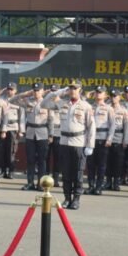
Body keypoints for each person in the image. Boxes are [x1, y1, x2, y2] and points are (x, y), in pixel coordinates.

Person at [41, 79, 95, 210]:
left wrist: (90, 145)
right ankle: (67, 198)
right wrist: (58, 92)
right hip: (64, 142)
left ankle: (76, 198)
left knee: (78, 172)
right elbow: (44, 103)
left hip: (79, 142)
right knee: (65, 172)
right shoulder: (62, 103)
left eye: (75, 88)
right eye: (70, 88)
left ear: (80, 90)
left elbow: (91, 126)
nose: (72, 91)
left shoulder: (86, 106)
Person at [9, 82, 50, 190]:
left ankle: (41, 184)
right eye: (34, 90)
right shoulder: (28, 101)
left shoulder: (47, 102)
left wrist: (51, 134)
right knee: (30, 159)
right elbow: (12, 100)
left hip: (43, 133)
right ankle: (30, 182)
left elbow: (51, 119)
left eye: (38, 90)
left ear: (42, 91)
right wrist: (24, 94)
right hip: (30, 133)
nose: (36, 92)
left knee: (42, 160)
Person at [86, 86, 115, 195]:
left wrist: (109, 138)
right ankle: (91, 186)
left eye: (100, 92)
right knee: (90, 164)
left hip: (102, 138)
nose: (98, 94)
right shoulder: (89, 106)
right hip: (91, 138)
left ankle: (98, 187)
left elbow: (112, 125)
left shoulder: (108, 108)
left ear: (105, 95)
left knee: (101, 164)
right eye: (97, 92)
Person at [106, 89, 128, 192]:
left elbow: (126, 126)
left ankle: (116, 182)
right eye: (112, 96)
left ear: (119, 97)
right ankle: (108, 182)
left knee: (118, 162)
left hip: (119, 138)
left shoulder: (123, 110)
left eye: (115, 96)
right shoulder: (106, 108)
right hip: (106, 138)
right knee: (107, 162)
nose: (113, 98)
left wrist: (125, 140)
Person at [1, 82, 22, 179]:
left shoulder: (18, 100)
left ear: (15, 90)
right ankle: (3, 170)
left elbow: (22, 115)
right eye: (8, 89)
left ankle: (11, 171)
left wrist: (21, 130)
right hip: (3, 127)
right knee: (2, 150)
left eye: (12, 89)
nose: (10, 91)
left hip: (13, 127)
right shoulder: (2, 99)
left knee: (11, 150)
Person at [46, 83, 62, 184]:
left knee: (57, 157)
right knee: (45, 157)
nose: (53, 93)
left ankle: (55, 178)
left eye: (55, 92)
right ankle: (46, 178)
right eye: (52, 91)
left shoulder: (63, 104)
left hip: (58, 133)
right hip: (46, 132)